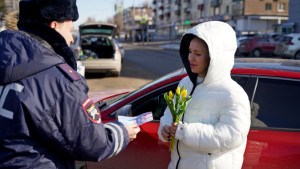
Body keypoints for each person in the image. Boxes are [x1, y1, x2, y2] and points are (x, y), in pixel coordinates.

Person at [0, 0, 140, 168]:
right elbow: (92, 143)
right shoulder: (58, 80)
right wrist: (122, 132)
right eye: (70, 30)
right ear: (53, 26)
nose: (72, 39)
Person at [158, 21, 251, 169]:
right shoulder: (185, 83)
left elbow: (231, 137)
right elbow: (170, 113)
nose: (190, 58)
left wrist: (184, 132)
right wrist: (165, 128)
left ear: (214, 58)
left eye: (198, 54)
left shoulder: (232, 93)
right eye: (189, 51)